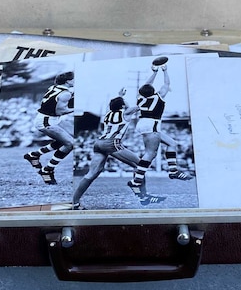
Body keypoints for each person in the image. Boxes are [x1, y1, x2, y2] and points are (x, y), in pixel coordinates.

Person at [71, 89, 165, 209]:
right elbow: (139, 105)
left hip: (99, 143)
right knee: (140, 165)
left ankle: (75, 202)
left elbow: (114, 105)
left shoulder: (108, 113)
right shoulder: (125, 113)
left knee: (92, 174)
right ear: (122, 105)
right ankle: (143, 196)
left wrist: (119, 96)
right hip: (112, 143)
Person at [128, 60, 193, 195]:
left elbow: (146, 85)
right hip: (152, 124)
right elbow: (166, 84)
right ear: (153, 91)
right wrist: (165, 70)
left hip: (144, 123)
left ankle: (173, 171)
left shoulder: (139, 97)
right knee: (150, 153)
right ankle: (136, 181)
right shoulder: (159, 96)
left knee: (172, 143)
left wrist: (154, 72)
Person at [23, 71, 76, 185]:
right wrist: (75, 108)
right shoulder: (65, 93)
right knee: (70, 144)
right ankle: (47, 169)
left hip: (47, 118)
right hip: (47, 121)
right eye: (74, 79)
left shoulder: (55, 87)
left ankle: (34, 155)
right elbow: (61, 111)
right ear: (68, 81)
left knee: (62, 142)